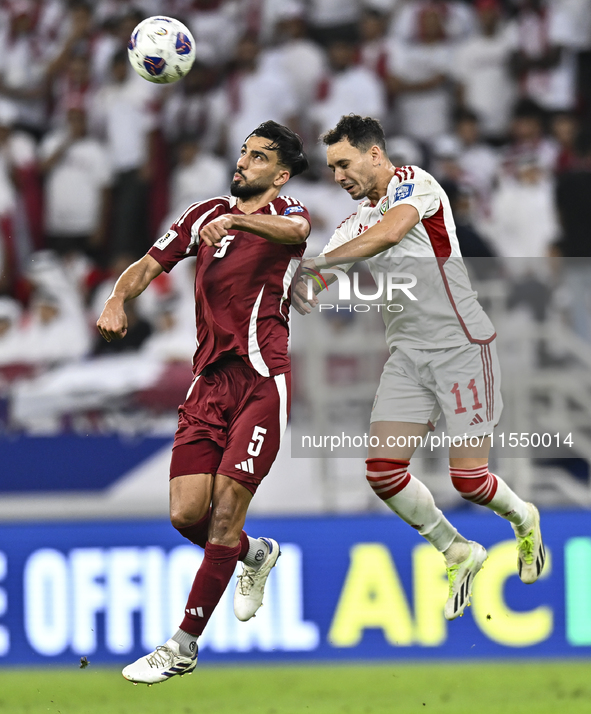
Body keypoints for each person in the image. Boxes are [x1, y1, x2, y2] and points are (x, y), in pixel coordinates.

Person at [293, 115, 545, 621]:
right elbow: (315, 282)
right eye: (331, 168)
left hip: (462, 346)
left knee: (469, 481)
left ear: (375, 155)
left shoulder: (416, 184)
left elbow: (390, 233)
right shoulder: (349, 225)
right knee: (383, 472)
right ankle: (457, 551)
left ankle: (525, 519)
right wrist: (289, 289)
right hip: (408, 357)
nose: (338, 176)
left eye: (344, 163)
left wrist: (321, 267)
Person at [96, 120, 310, 684]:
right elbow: (148, 265)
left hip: (262, 381)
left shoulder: (288, 213)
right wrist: (118, 297)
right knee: (185, 514)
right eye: (243, 153)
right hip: (208, 385)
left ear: (280, 173)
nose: (244, 163)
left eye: (259, 157)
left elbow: (294, 235)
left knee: (222, 516)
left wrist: (238, 220)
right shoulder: (200, 215)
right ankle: (255, 555)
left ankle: (183, 645)